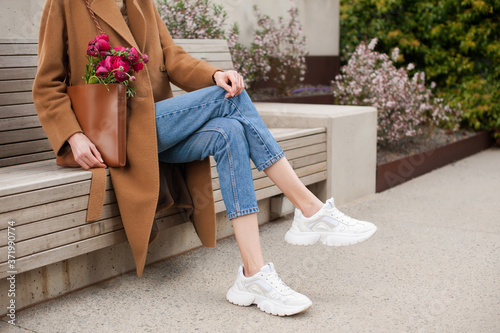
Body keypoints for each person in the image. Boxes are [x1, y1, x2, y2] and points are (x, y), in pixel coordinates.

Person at [33, 0, 377, 317]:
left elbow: (170, 55)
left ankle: (253, 274)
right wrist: (72, 135)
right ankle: (309, 209)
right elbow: (47, 84)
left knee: (230, 130)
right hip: (110, 131)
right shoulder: (66, 2)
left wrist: (214, 74)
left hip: (153, 128)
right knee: (228, 100)